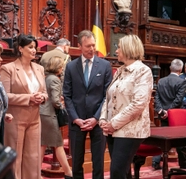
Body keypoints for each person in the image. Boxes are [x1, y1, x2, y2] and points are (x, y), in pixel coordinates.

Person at [99, 34, 153, 179]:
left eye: (119, 48)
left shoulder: (143, 71)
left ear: (129, 49)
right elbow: (108, 97)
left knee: (117, 173)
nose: (116, 51)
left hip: (130, 131)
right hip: (112, 130)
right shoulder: (121, 70)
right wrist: (103, 120)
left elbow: (138, 104)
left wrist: (113, 124)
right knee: (123, 173)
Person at [63, 30, 112, 179]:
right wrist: (75, 118)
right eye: (87, 46)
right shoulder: (71, 66)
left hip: (98, 121)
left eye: (93, 45)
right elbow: (67, 95)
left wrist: (96, 118)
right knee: (76, 162)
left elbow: (107, 96)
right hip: (77, 121)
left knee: (98, 162)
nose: (91, 49)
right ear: (79, 47)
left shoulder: (105, 66)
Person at [0, 34, 48, 179]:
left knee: (33, 158)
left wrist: (42, 97)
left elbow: (45, 92)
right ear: (20, 48)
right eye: (30, 47)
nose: (34, 50)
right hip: (15, 119)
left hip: (35, 119)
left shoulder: (39, 68)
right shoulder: (8, 68)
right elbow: (5, 96)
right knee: (15, 157)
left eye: (35, 47)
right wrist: (29, 98)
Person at [40, 56, 72, 179]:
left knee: (42, 145)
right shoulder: (55, 79)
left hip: (43, 113)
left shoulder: (47, 78)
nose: (62, 69)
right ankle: (68, 172)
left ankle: (37, 173)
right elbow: (54, 101)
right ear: (57, 67)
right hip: (50, 115)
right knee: (58, 144)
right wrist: (61, 105)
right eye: (61, 66)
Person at [153, 58, 186, 170]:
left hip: (163, 115)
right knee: (180, 142)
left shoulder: (161, 81)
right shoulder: (182, 82)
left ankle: (155, 163)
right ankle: (183, 165)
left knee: (162, 139)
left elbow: (156, 98)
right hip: (176, 116)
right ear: (181, 69)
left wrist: (161, 111)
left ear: (170, 68)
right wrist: (170, 112)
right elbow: (178, 99)